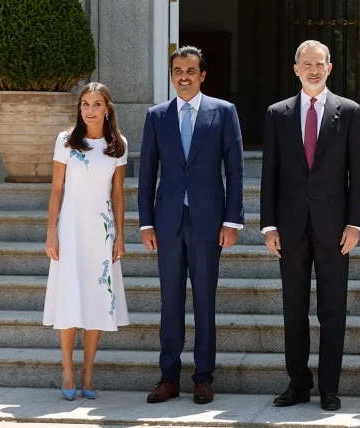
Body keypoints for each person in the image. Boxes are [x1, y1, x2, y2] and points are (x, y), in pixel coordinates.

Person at [260, 40, 360, 411]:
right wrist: (268, 226)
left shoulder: (349, 112)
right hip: (289, 228)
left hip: (335, 229)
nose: (313, 69)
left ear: (330, 68)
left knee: (332, 310)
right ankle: (298, 384)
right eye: (306, 63)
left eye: (319, 63)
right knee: (294, 309)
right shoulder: (277, 113)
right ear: (295, 69)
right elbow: (269, 175)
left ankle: (329, 388)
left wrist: (355, 223)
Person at [138, 46, 244, 405]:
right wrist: (145, 223)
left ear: (202, 75)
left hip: (208, 223)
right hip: (167, 222)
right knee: (170, 303)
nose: (183, 75)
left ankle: (203, 377)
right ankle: (168, 378)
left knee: (204, 302)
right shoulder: (156, 116)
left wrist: (232, 220)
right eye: (177, 70)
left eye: (190, 70)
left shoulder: (223, 112)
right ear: (171, 75)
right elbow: (147, 173)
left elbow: (235, 171)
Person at [43, 82, 130, 401]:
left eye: (96, 104)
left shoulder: (117, 144)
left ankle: (88, 371)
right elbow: (56, 189)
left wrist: (120, 235)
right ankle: (67, 368)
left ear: (107, 109)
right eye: (84, 104)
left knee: (96, 299)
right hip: (70, 228)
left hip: (102, 231)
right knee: (70, 298)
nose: (89, 110)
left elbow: (118, 194)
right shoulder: (66, 141)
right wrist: (51, 231)